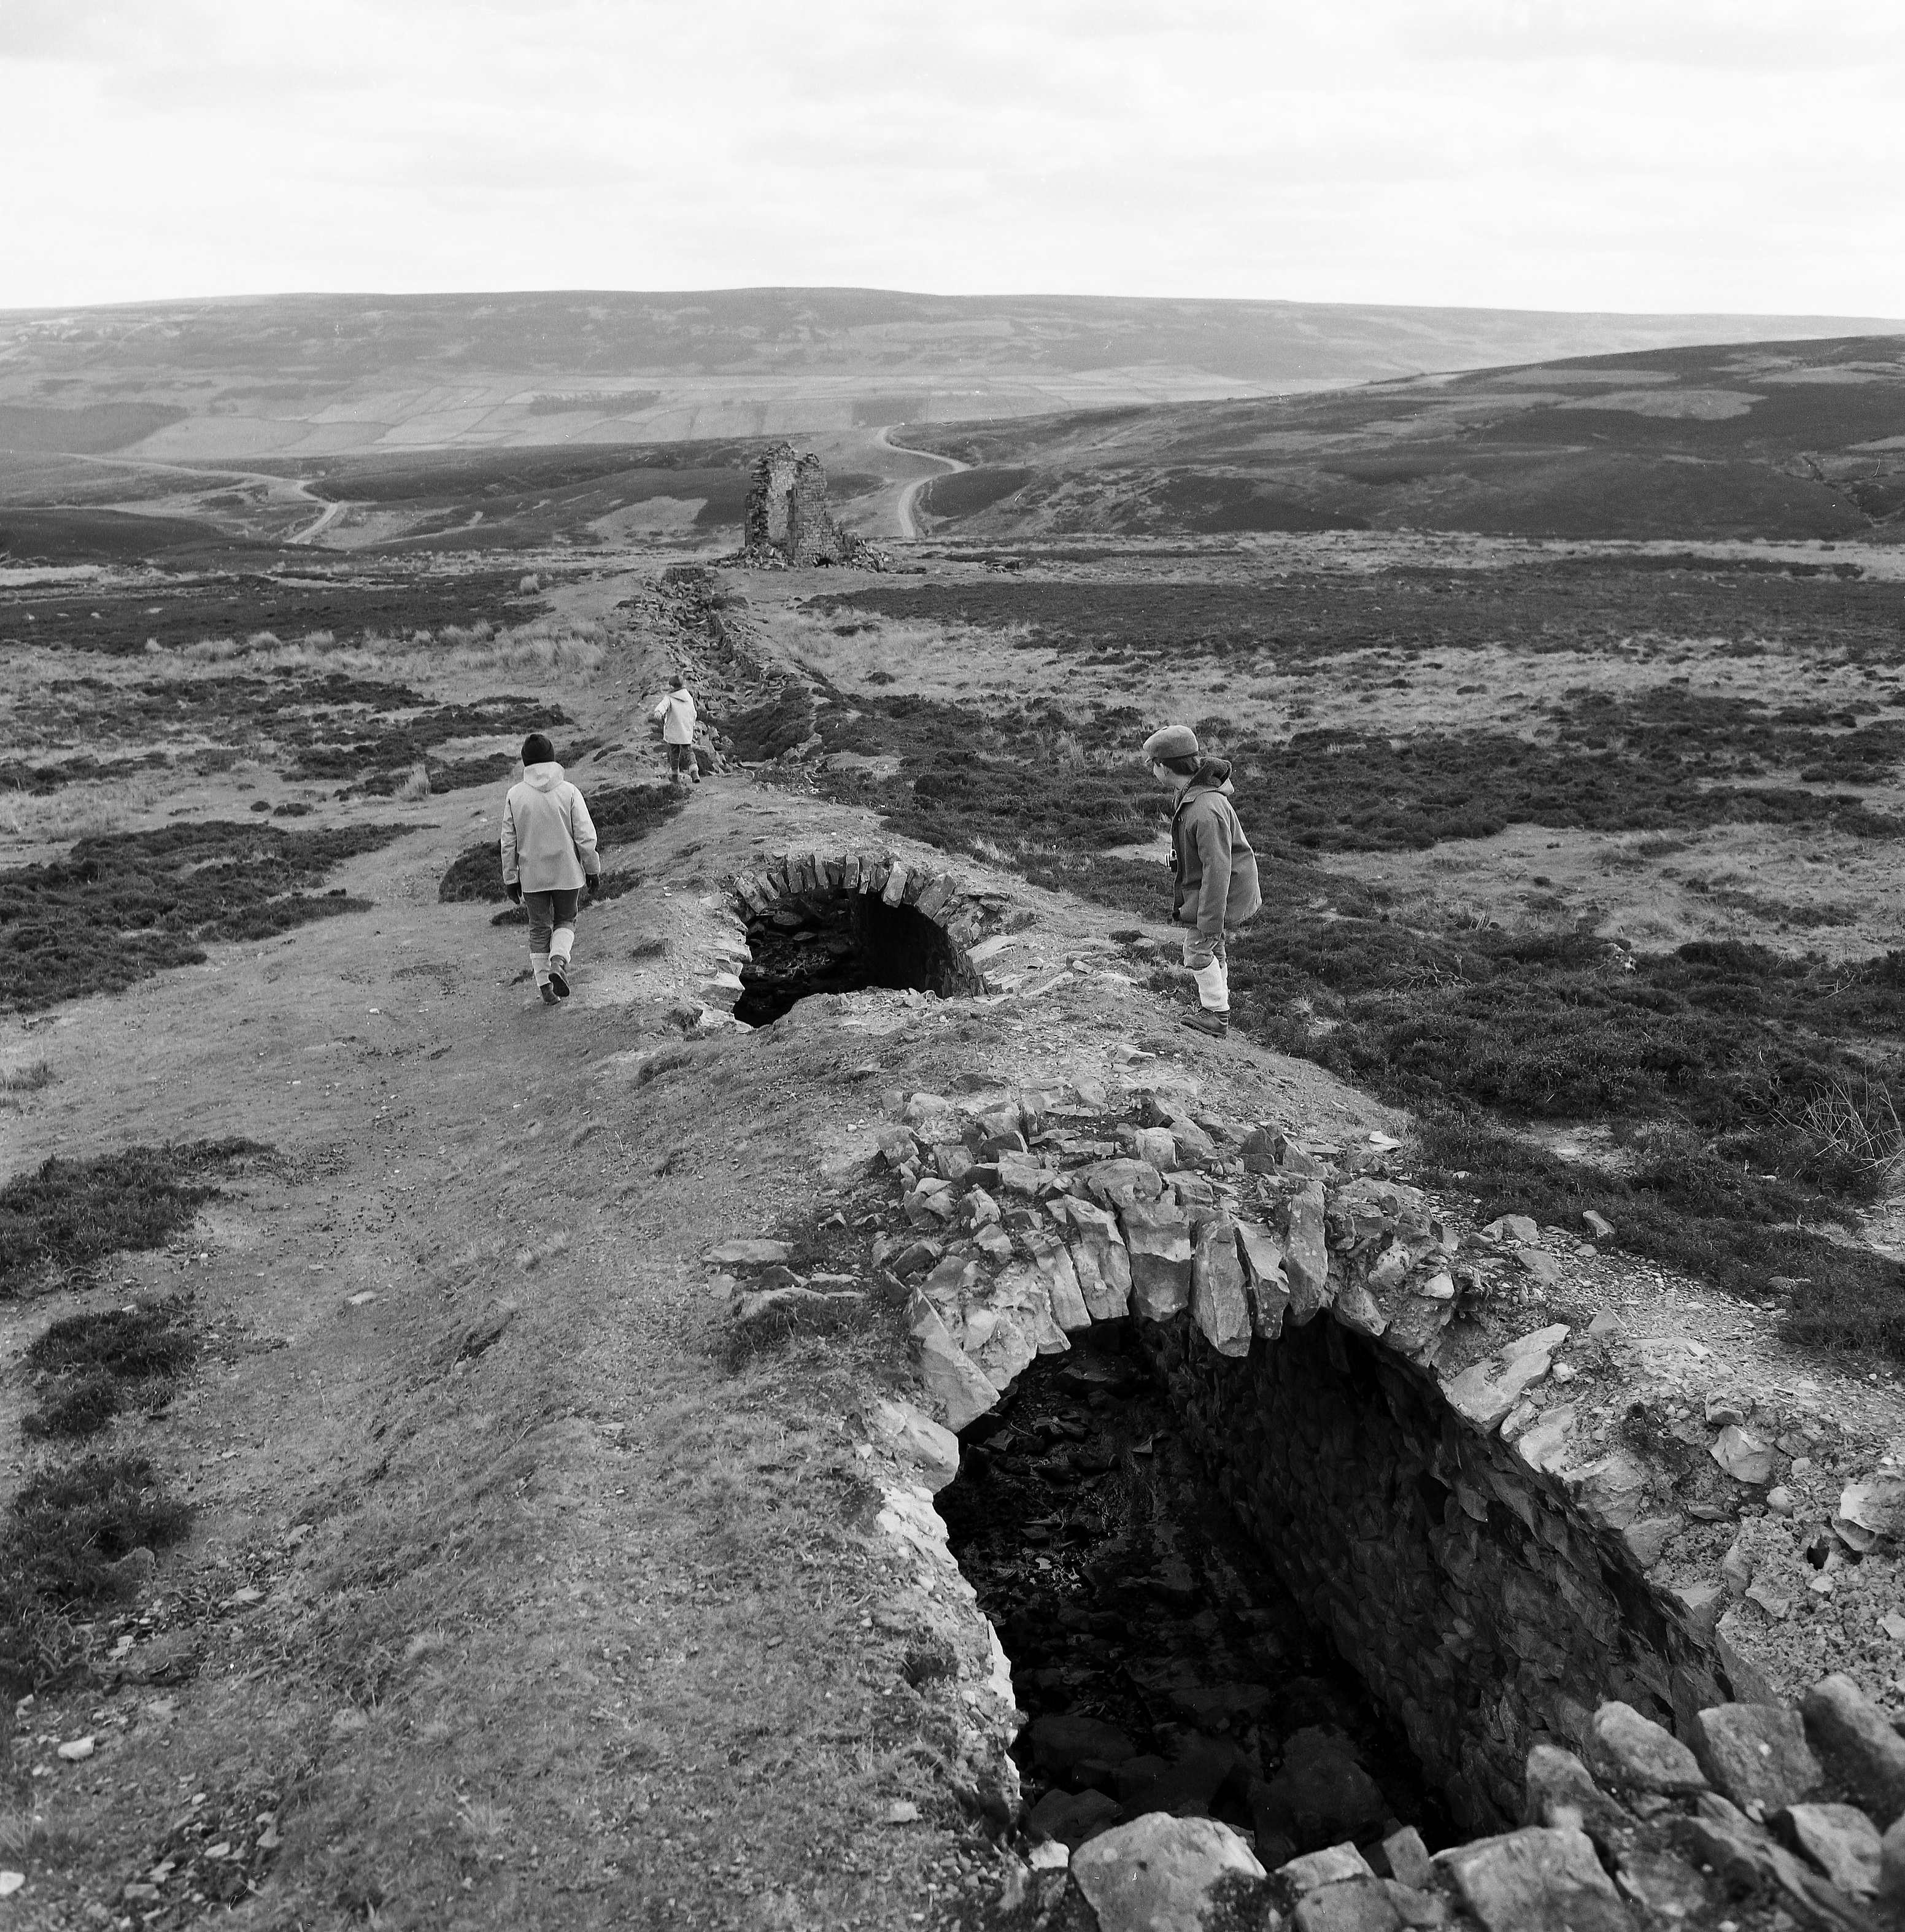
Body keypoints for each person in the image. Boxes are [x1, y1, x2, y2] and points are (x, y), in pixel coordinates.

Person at [1143, 724, 1262, 1040]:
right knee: (1213, 944)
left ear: (1164, 767)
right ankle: (1218, 1008)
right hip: (1220, 887)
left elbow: (1217, 871)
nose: (1152, 770)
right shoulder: (1189, 794)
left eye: (1152, 764)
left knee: (1197, 948)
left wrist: (1209, 920)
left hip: (1225, 890)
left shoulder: (1205, 810)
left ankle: (1216, 1015)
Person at [501, 732, 600, 1006]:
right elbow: (585, 836)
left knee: (539, 929)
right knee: (566, 920)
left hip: (532, 876)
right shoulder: (569, 791)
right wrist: (592, 868)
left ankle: (545, 987)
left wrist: (511, 879)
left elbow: (508, 842)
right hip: (567, 872)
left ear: (525, 761)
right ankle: (558, 963)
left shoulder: (514, 795)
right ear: (552, 758)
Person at [651, 673, 700, 788]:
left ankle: (675, 776)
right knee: (688, 751)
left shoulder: (669, 698)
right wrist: (691, 725)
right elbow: (694, 713)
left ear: (672, 686)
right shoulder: (688, 697)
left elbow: (663, 706)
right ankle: (694, 772)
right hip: (685, 729)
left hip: (674, 729)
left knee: (674, 752)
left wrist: (658, 712)